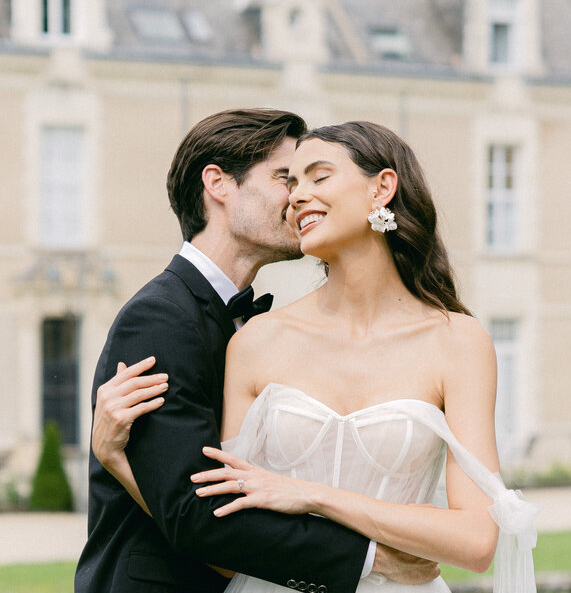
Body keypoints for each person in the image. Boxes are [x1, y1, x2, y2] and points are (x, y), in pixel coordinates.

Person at [75, 108, 440, 593]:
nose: (299, 199)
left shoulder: (252, 324)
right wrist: (370, 557)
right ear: (218, 184)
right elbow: (196, 512)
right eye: (285, 178)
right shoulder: (161, 318)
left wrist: (117, 461)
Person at [188, 121, 539, 593]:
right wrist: (114, 457)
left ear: (383, 188)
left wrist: (311, 496)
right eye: (291, 183)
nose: (296, 196)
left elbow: (476, 540)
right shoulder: (256, 342)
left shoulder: (457, 341)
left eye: (319, 176)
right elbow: (222, 539)